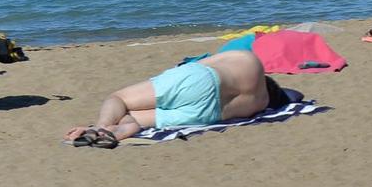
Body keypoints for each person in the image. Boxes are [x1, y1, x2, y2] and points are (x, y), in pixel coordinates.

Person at [61, 48, 280, 147]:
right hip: (207, 114)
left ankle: (101, 126)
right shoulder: (259, 104)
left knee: (119, 98)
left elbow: (199, 65)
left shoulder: (250, 60)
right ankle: (124, 128)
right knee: (133, 116)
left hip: (202, 80)